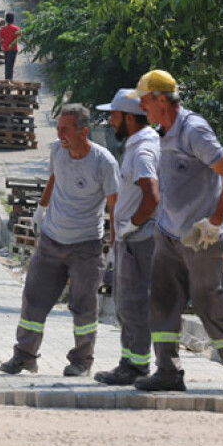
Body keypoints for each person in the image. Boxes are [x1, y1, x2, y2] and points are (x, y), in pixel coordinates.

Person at [129, 70, 223, 392]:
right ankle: (168, 371)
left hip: (201, 237)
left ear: (162, 99)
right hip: (169, 233)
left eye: (145, 100)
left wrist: (214, 223)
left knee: (208, 301)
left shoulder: (193, 131)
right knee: (162, 301)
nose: (141, 106)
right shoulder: (162, 133)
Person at [0, 104, 118, 377]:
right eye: (58, 128)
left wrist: (115, 245)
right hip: (51, 241)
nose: (59, 134)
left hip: (86, 246)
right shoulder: (57, 150)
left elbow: (115, 205)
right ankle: (25, 355)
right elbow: (54, 177)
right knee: (34, 298)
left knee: (84, 306)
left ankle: (81, 360)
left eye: (65, 129)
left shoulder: (104, 163)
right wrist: (41, 209)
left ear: (83, 131)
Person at [93, 89, 161, 385]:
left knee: (132, 303)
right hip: (134, 237)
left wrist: (132, 225)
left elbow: (152, 196)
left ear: (130, 119)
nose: (110, 121)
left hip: (139, 239)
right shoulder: (142, 144)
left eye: (115, 116)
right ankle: (133, 361)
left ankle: (134, 365)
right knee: (129, 302)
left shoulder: (143, 150)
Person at [0, 13, 20, 81]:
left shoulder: (2, 29)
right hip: (13, 49)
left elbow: (0, 40)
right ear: (13, 20)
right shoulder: (16, 28)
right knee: (11, 65)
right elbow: (21, 38)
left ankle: (7, 80)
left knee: (7, 65)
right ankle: (9, 80)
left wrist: (4, 42)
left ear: (6, 20)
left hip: (6, 49)